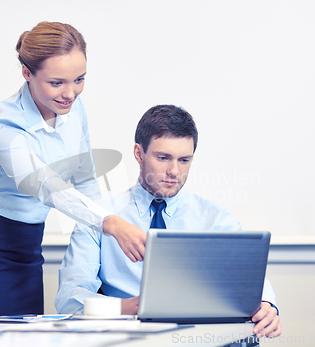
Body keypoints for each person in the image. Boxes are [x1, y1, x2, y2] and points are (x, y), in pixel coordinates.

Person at [0, 21, 146, 316]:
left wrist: (107, 234)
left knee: (31, 338)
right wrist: (111, 223)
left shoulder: (74, 109)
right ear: (27, 73)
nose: (70, 93)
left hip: (29, 245)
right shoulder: (4, 126)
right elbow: (45, 185)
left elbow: (84, 177)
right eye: (57, 83)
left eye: (79, 79)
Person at [55, 105, 282, 338]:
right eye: (163, 158)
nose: (174, 171)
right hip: (125, 337)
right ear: (138, 154)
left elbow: (247, 279)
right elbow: (69, 298)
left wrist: (267, 305)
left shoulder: (215, 219)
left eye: (184, 160)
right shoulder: (99, 218)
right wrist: (126, 308)